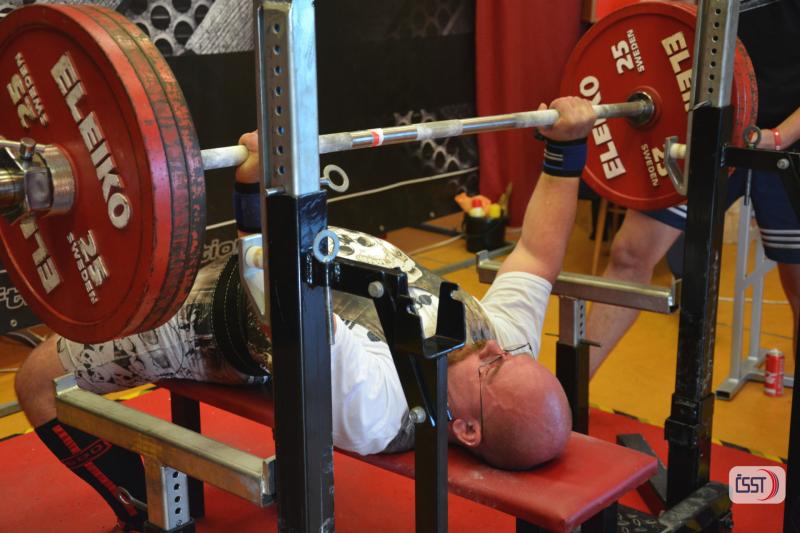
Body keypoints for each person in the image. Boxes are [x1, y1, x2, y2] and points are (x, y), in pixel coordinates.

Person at [14, 96, 596, 531]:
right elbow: (537, 255)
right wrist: (567, 148)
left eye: (495, 368)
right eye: (509, 354)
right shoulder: (503, 343)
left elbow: (283, 303)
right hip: (258, 256)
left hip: (206, 321)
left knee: (38, 382)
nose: (494, 349)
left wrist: (261, 190)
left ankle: (139, 505)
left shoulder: (380, 409)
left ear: (466, 429)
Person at [585, 0, 800, 377]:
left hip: (788, 139)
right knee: (630, 255)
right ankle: (562, 397)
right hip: (711, 123)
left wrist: (779, 137)